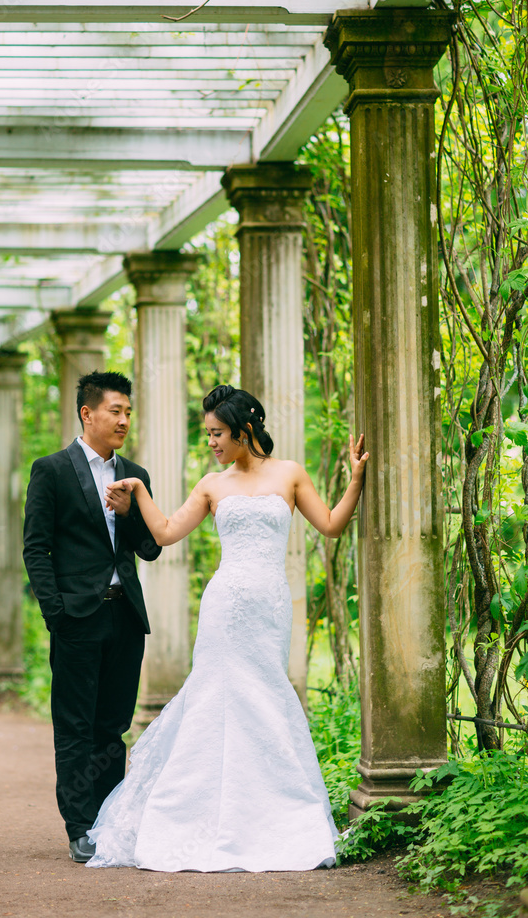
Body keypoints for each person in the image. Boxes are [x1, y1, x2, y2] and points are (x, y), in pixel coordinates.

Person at [87, 383, 369, 873]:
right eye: (208, 435)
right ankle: (191, 820)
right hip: (223, 608)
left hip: (269, 607)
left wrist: (356, 480)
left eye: (217, 434)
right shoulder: (212, 484)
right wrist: (138, 491)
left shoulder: (291, 474)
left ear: (244, 428)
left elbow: (331, 525)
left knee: (265, 698)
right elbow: (166, 532)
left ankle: (275, 819)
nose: (212, 443)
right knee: (215, 698)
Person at [22, 370, 162, 864]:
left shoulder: (136, 475)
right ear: (88, 413)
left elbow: (150, 549)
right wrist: (56, 614)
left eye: (128, 411)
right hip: (77, 618)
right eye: (115, 411)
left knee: (114, 726)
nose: (124, 420)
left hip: (125, 618)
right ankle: (79, 827)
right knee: (76, 726)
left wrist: (129, 512)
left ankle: (109, 821)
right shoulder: (52, 470)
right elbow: (36, 548)